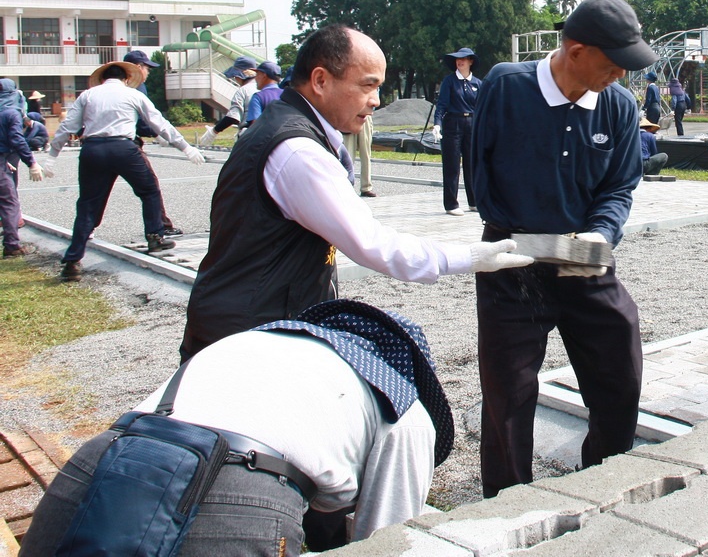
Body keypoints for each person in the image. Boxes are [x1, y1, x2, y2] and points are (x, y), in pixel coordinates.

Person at [180, 26, 531, 362]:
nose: (376, 101)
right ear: (320, 80)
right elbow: (372, 243)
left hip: (253, 318)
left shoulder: (292, 126)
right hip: (250, 336)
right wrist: (467, 257)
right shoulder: (299, 151)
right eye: (368, 86)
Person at [21, 299, 455, 553]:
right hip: (240, 491)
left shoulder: (251, 343)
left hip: (102, 462)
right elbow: (387, 541)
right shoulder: (404, 407)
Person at [471, 0, 656, 497]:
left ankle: (604, 481)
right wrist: (513, 233)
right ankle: (508, 503)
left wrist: (600, 234)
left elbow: (619, 186)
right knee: (509, 390)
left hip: (582, 253)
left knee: (620, 365)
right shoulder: (506, 87)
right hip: (515, 255)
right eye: (614, 63)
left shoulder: (618, 106)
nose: (621, 74)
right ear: (576, 51)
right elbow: (479, 169)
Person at [44, 61, 206, 282]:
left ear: (102, 79)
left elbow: (68, 127)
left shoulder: (87, 96)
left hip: (93, 149)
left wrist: (52, 155)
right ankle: (155, 236)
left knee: (88, 204)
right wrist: (185, 147)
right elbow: (159, 123)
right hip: (124, 148)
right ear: (127, 78)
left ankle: (73, 260)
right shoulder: (133, 95)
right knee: (148, 191)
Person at [123, 49, 183, 236]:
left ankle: (82, 237)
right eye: (147, 68)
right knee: (150, 187)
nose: (148, 73)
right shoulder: (138, 86)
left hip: (96, 145)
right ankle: (160, 229)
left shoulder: (107, 86)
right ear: (138, 68)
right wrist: (158, 134)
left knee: (96, 192)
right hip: (126, 144)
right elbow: (145, 120)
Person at [432, 47, 481, 216]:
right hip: (453, 123)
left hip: (472, 124)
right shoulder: (449, 81)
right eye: (457, 59)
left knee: (472, 164)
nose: (460, 61)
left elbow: (482, 107)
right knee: (452, 165)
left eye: (464, 59)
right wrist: (437, 124)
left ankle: (474, 201)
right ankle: (451, 204)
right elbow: (442, 105)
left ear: (471, 61)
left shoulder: (477, 83)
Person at [0, 106, 44, 257]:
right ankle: (12, 246)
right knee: (9, 202)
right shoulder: (11, 112)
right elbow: (17, 139)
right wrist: (31, 162)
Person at [199, 55, 260, 146]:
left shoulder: (243, 90)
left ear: (240, 75)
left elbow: (233, 117)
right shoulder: (264, 88)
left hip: (249, 138)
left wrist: (214, 131)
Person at [343, 106, 375, 197]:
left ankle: (366, 187)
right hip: (349, 114)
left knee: (366, 154)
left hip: (365, 114)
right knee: (348, 154)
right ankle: (347, 186)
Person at [244, 60, 284, 125]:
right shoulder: (287, 95)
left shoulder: (258, 97)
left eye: (257, 74)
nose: (255, 78)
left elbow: (256, 125)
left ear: (264, 76)